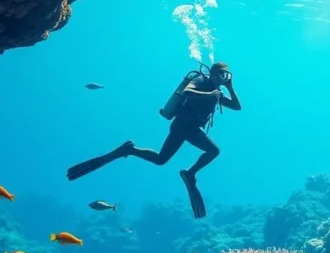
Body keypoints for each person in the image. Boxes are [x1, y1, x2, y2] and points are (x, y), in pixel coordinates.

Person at [66, 62, 241, 218]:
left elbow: (237, 107)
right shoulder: (202, 82)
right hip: (181, 126)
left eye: (226, 75)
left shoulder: (217, 93)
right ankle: (132, 150)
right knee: (167, 159)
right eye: (221, 74)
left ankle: (179, 169)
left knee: (192, 154)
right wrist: (209, 94)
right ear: (212, 73)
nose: (223, 77)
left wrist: (230, 88)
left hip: (193, 129)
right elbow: (187, 91)